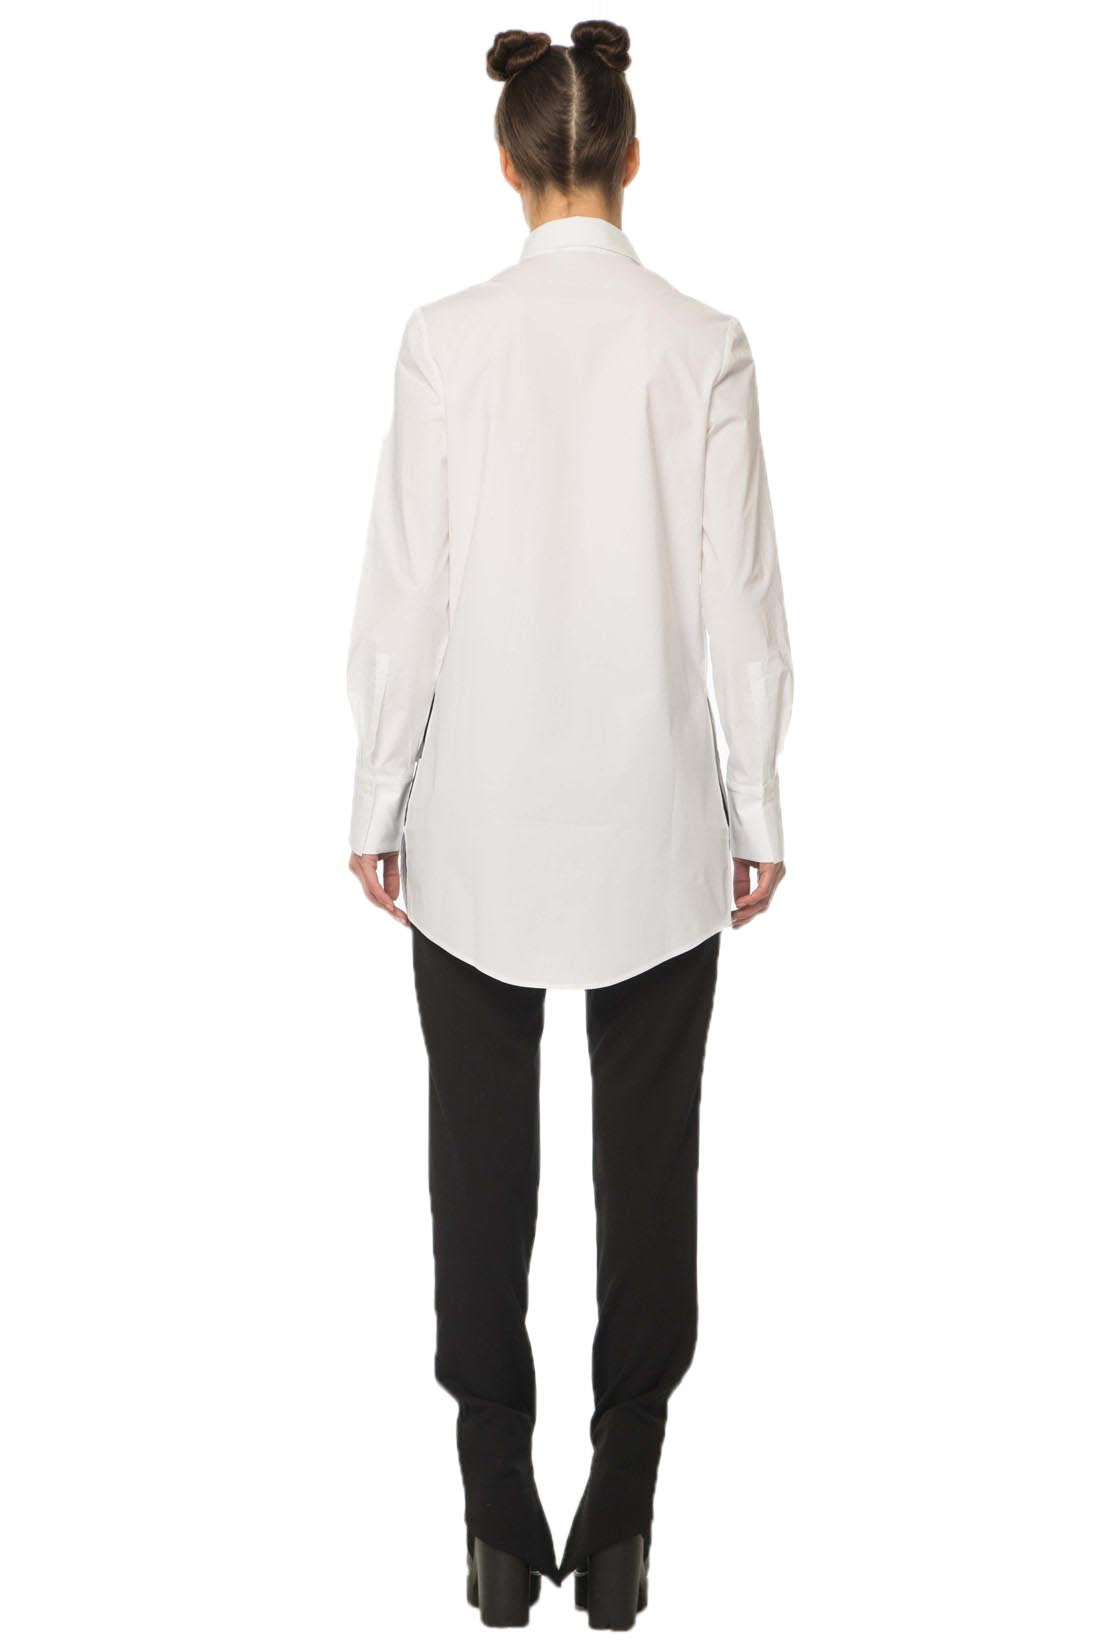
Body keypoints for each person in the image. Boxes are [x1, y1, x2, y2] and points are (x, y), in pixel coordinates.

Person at [346, 20, 793, 1629]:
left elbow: (408, 592)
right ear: (632, 159)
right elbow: (742, 601)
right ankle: (621, 1510)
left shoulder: (445, 342)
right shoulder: (705, 343)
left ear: (509, 160)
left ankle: (491, 1503)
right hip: (659, 821)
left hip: (474, 821)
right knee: (649, 1164)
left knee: (478, 1165)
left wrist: (376, 786)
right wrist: (758, 799)